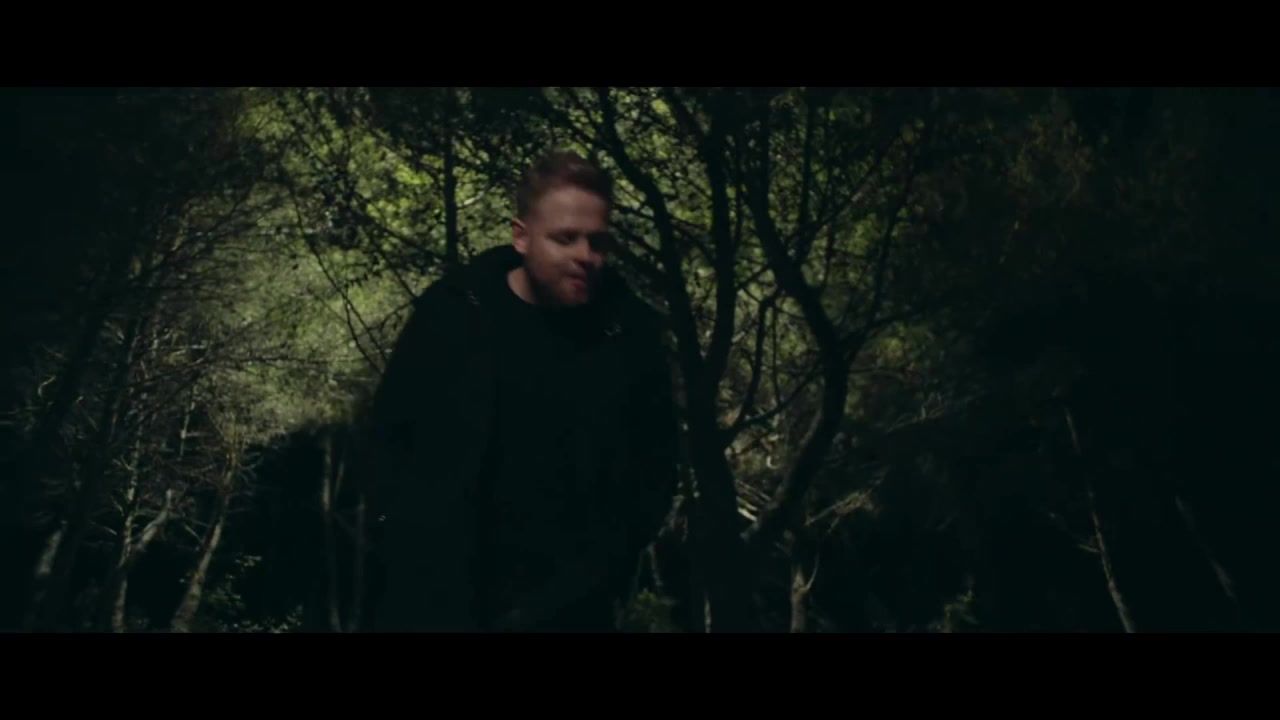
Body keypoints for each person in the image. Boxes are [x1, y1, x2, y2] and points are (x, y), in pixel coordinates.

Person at [362, 150, 679, 632]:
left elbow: (653, 474)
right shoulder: (454, 315)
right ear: (521, 236)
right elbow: (388, 436)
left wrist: (597, 573)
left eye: (597, 242)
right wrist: (406, 546)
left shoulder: (629, 337)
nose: (585, 256)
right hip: (434, 604)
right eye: (565, 238)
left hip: (570, 613)